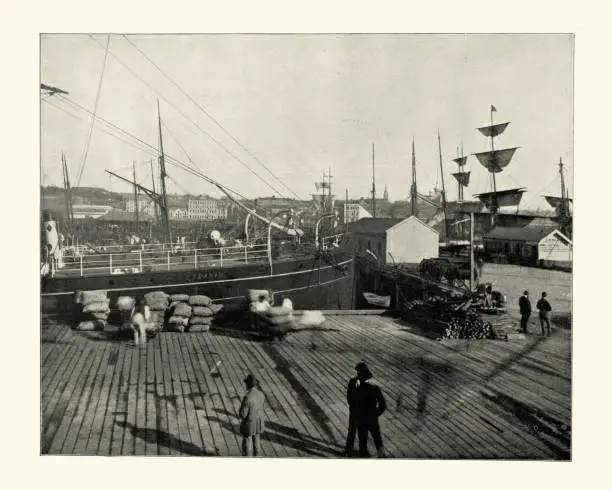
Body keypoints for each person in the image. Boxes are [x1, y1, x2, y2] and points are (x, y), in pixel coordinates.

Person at [353, 362, 387, 458]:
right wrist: (376, 413)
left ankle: (364, 455)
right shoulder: (375, 389)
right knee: (377, 439)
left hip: (362, 419)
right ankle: (382, 455)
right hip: (372, 418)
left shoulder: (358, 389)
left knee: (363, 441)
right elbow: (383, 405)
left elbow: (355, 404)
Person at [239, 373, 266, 457]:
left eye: (246, 383)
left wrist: (240, 412)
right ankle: (257, 457)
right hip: (259, 421)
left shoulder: (247, 397)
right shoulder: (261, 394)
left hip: (249, 423)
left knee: (247, 440)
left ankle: (248, 459)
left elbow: (243, 414)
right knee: (257, 439)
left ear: (248, 385)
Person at [344, 372, 359, 457]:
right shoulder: (352, 382)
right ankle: (348, 450)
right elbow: (349, 396)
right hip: (354, 410)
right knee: (352, 430)